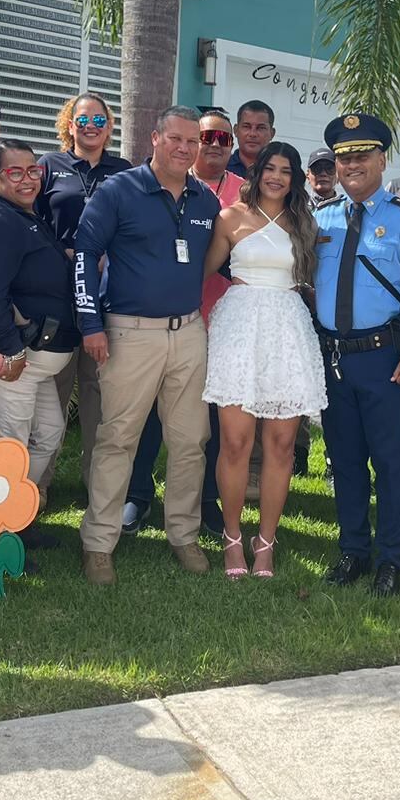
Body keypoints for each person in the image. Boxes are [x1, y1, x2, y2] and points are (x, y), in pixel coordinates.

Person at [75, 105, 221, 584]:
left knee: (191, 441)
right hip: (129, 333)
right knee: (118, 438)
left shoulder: (204, 201)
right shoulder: (119, 190)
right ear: (154, 139)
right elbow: (86, 253)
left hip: (189, 332)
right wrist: (90, 323)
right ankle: (99, 543)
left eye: (192, 142)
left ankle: (183, 535)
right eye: (175, 138)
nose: (184, 148)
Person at [314, 113, 400, 597]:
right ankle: (353, 550)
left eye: (362, 156)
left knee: (389, 463)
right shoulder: (322, 218)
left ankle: (391, 559)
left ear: (382, 160)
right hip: (334, 359)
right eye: (344, 158)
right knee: (345, 459)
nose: (352, 165)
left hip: (384, 359)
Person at [202, 142, 326, 577]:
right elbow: (202, 272)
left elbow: (315, 279)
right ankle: (233, 537)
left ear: (295, 179)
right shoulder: (230, 218)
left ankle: (266, 541)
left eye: (285, 170)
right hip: (239, 329)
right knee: (235, 442)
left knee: (281, 444)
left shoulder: (304, 223)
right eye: (269, 168)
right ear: (257, 173)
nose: (276, 176)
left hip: (287, 330)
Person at [124, 107, 241, 533]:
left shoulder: (243, 192)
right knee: (148, 416)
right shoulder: (162, 186)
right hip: (165, 318)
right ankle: (138, 495)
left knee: (207, 422)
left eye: (222, 139)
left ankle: (205, 500)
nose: (213, 146)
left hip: (223, 324)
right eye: (205, 137)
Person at [0, 139, 78, 539]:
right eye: (15, 172)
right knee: (7, 445)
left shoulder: (24, 215)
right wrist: (9, 348)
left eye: (33, 171)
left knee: (48, 433)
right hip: (9, 353)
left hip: (32, 361)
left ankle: (15, 516)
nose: (27, 180)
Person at [40, 93, 132, 492]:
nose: (90, 127)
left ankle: (99, 488)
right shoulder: (49, 166)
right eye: (82, 120)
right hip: (56, 295)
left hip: (107, 297)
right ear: (69, 124)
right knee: (51, 394)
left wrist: (105, 254)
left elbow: (133, 227)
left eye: (98, 121)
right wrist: (62, 253)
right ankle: (35, 486)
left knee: (99, 396)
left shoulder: (124, 172)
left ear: (109, 128)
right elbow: (32, 220)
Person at [226, 99, 275, 178]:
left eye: (261, 128)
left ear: (272, 133)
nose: (253, 134)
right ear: (235, 130)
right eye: (246, 127)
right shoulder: (221, 167)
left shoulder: (278, 173)